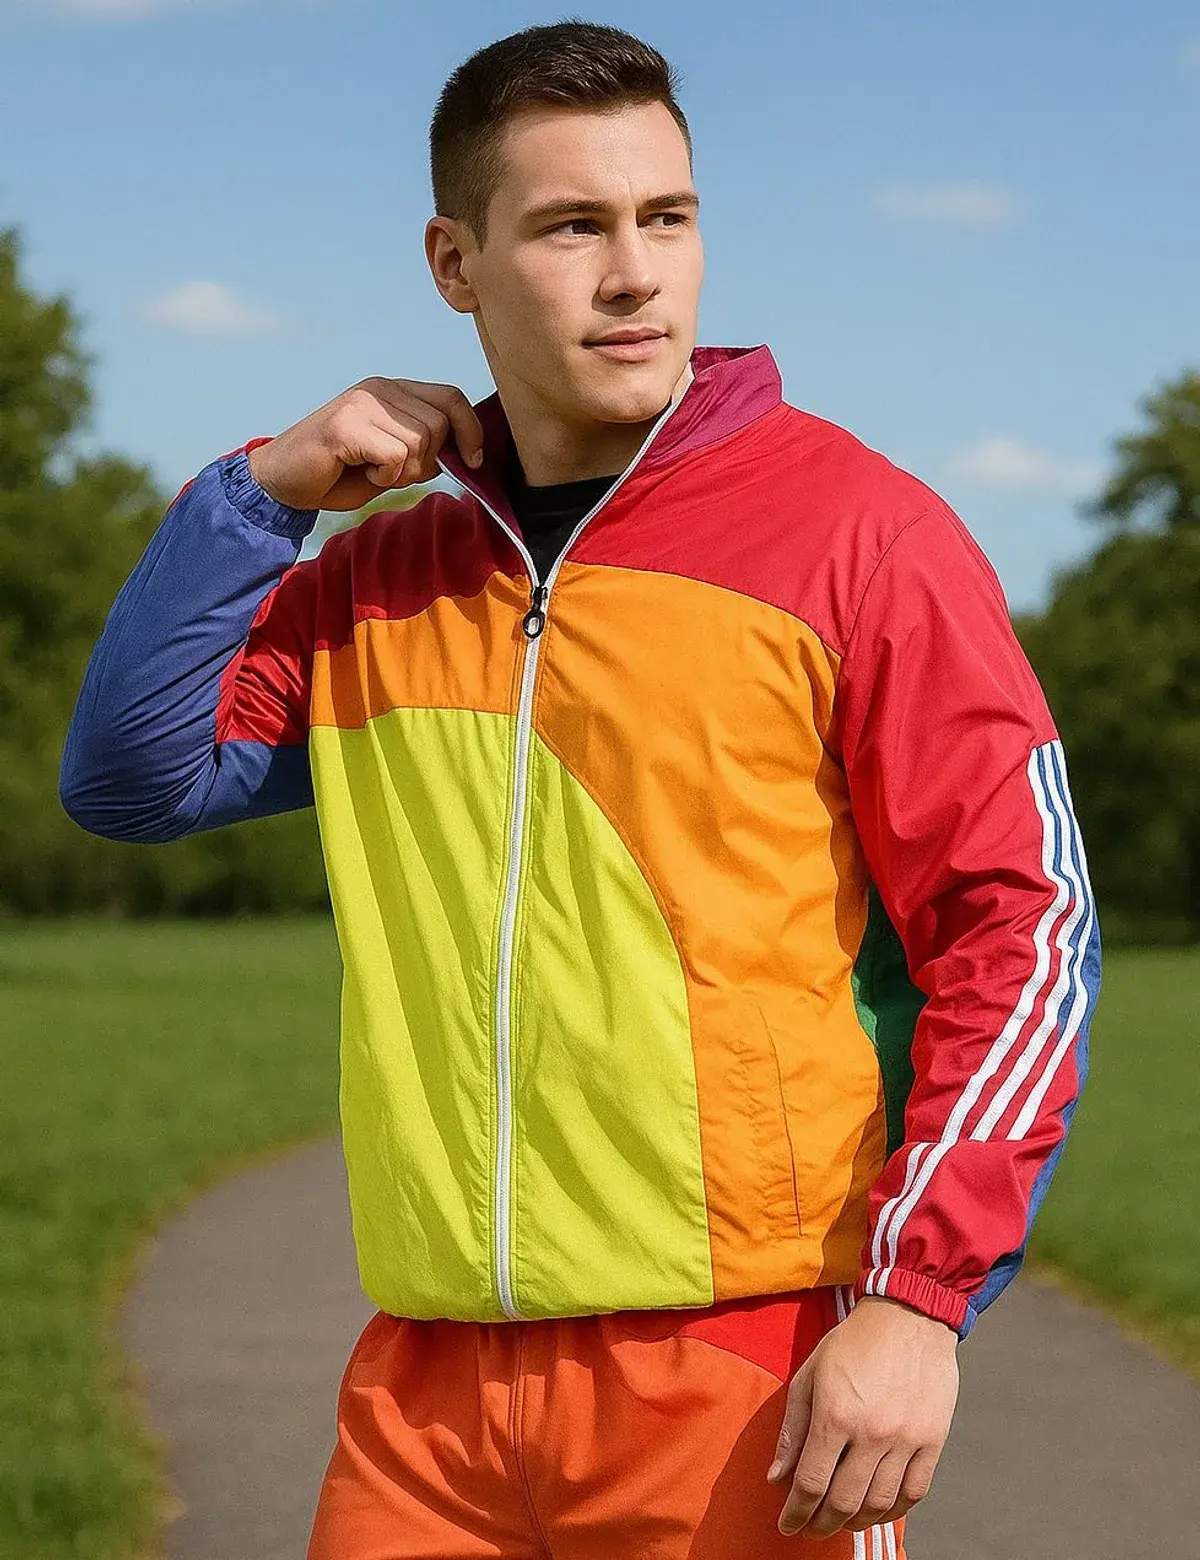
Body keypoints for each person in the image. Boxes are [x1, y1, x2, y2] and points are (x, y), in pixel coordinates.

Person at [59, 19, 1101, 1560]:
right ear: (455, 263)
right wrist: (260, 495)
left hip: (748, 1373)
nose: (634, 275)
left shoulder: (864, 538)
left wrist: (917, 1300)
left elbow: (1022, 930)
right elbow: (134, 775)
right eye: (571, 226)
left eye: (665, 218)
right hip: (427, 1394)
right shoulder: (384, 581)